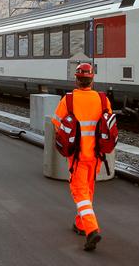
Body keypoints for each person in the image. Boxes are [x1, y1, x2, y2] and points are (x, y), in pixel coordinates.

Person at [51, 62, 112, 252]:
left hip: (77, 157)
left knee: (79, 193)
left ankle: (91, 229)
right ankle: (80, 223)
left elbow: (58, 126)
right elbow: (107, 126)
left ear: (77, 80)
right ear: (92, 80)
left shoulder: (68, 100)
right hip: (96, 157)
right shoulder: (103, 100)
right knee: (88, 191)